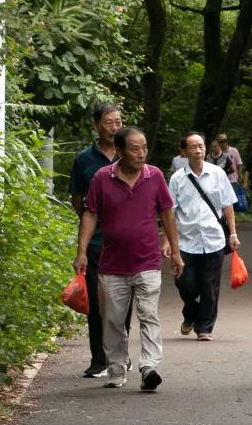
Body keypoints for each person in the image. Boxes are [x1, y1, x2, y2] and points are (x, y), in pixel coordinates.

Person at [73, 127, 183, 391]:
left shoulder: (155, 176)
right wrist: (82, 252)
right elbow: (90, 214)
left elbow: (167, 213)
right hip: (112, 265)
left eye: (144, 148)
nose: (141, 153)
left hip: (147, 262)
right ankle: (116, 367)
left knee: (148, 315)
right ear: (119, 151)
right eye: (135, 149)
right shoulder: (102, 178)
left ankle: (149, 367)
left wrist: (176, 252)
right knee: (112, 319)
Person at [68, 102, 131, 378]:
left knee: (123, 299)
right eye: (109, 122)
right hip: (96, 241)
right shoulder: (84, 159)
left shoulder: (129, 156)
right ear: (96, 126)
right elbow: (77, 200)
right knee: (96, 299)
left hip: (127, 240)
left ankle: (121, 353)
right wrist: (90, 223)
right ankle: (99, 358)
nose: (115, 127)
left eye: (119, 122)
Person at [167, 132, 239, 341]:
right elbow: (170, 212)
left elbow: (227, 205)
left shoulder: (217, 173)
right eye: (193, 147)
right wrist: (167, 242)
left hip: (213, 238)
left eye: (201, 146)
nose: (198, 150)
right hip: (186, 240)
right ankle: (191, 313)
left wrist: (233, 233)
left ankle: (205, 327)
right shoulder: (177, 178)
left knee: (210, 285)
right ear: (184, 152)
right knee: (185, 283)